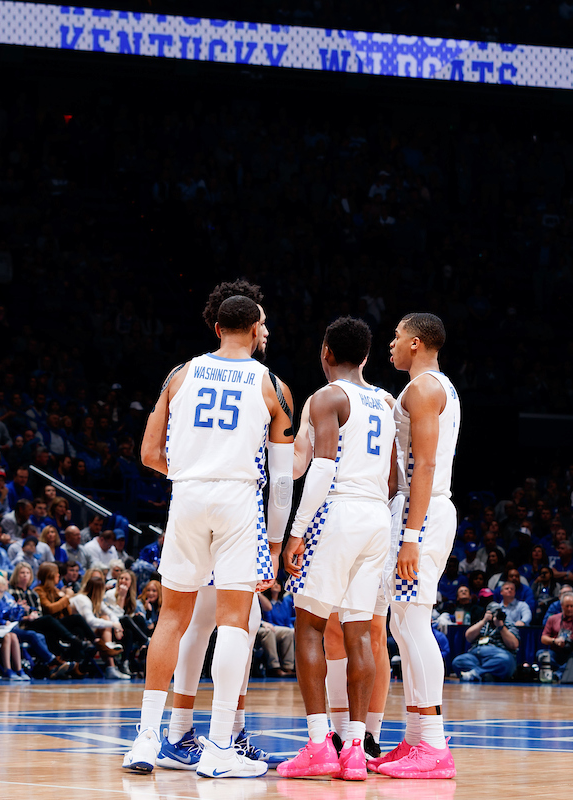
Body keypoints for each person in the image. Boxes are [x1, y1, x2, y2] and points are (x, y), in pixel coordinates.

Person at [122, 293, 294, 779]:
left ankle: (146, 739)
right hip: (238, 501)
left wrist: (194, 469)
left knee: (171, 619)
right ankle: (220, 745)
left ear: (217, 328)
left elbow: (149, 451)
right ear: (255, 327)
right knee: (235, 621)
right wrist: (277, 544)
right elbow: (281, 482)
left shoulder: (180, 374)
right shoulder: (272, 385)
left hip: (188, 496)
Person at [277, 317, 395, 780]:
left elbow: (321, 468)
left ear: (326, 351)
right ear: (365, 356)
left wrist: (297, 530)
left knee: (308, 625)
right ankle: (354, 750)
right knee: (359, 631)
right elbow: (390, 477)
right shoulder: (386, 402)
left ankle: (317, 744)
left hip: (339, 511)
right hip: (376, 518)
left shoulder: (327, 397)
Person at [368, 313, 461, 780]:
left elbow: (422, 466)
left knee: (411, 622)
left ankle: (436, 746)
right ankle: (414, 737)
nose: (391, 344)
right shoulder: (429, 387)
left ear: (416, 342)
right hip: (419, 510)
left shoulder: (424, 389)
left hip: (420, 513)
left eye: (397, 336)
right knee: (403, 627)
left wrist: (409, 535)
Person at [451, 591, 520, 683]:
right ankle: (486, 674)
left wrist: (500, 627)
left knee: (506, 661)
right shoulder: (482, 623)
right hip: (476, 654)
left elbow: (514, 645)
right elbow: (468, 636)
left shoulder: (507, 624)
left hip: (498, 654)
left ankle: (475, 673)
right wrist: (483, 621)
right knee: (458, 661)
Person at [539, 592, 573, 679]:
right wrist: (554, 640)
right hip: (556, 652)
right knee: (542, 654)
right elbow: (543, 638)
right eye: (567, 606)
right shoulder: (552, 619)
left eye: (572, 606)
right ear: (561, 605)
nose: (569, 609)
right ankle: (564, 671)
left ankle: (557, 674)